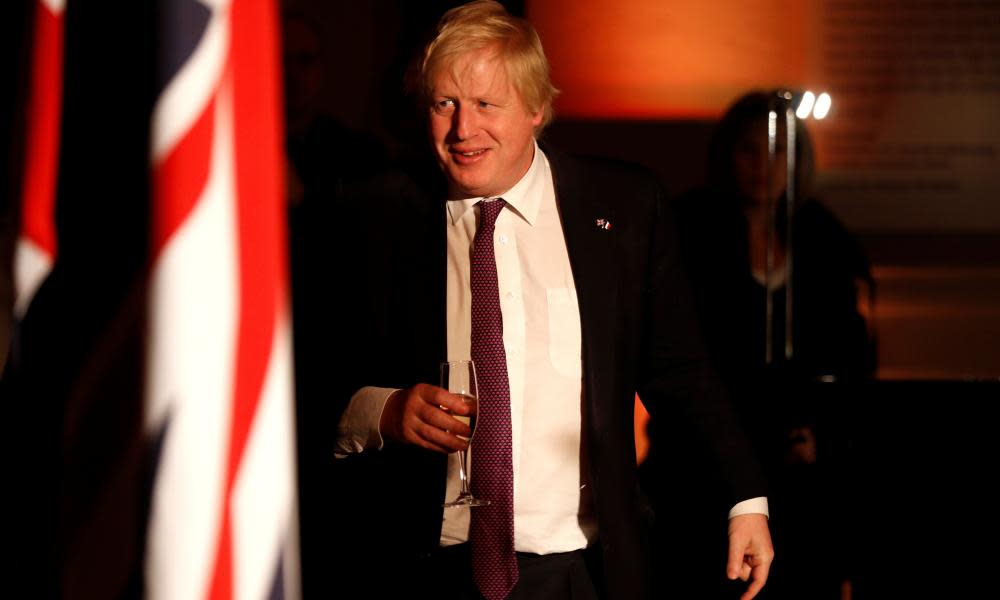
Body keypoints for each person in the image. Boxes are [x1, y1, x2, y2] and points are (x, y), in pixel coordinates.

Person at [328, 3, 773, 599]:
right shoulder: (375, 215)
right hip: (425, 569)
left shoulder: (623, 206)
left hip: (582, 571)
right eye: (445, 104)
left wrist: (743, 497)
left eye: (488, 104)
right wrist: (383, 411)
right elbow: (302, 375)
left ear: (538, 109)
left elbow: (680, 370)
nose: (464, 130)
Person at [648, 90, 874, 599]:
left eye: (779, 151)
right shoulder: (693, 226)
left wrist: (821, 427)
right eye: (749, 149)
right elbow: (676, 348)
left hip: (799, 457)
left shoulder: (821, 235)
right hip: (703, 455)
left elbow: (850, 351)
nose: (764, 165)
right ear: (728, 155)